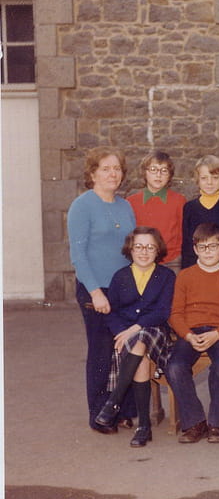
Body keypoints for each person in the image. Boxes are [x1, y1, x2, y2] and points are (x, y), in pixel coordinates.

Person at [68, 146, 137, 434]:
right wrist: (96, 292)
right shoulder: (82, 206)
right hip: (95, 289)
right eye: (106, 168)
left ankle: (123, 409)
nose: (113, 174)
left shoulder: (125, 206)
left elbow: (132, 249)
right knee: (101, 351)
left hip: (124, 289)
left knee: (125, 349)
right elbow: (78, 255)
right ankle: (98, 414)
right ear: (93, 173)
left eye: (117, 168)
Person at [95, 226, 176, 447]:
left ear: (158, 250)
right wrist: (121, 332)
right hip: (127, 335)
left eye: (150, 247)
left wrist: (135, 328)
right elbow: (112, 312)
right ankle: (143, 427)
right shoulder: (120, 276)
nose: (144, 252)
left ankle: (114, 401)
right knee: (140, 356)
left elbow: (163, 311)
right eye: (139, 246)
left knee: (141, 338)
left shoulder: (166, 276)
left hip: (155, 331)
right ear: (130, 249)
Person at [166, 222, 219, 443]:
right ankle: (195, 421)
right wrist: (188, 335)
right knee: (175, 367)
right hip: (191, 332)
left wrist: (217, 334)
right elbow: (175, 314)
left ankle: (216, 424)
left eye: (213, 246)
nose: (208, 251)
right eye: (202, 247)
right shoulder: (185, 276)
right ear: (195, 249)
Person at [126, 151, 186, 273]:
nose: (158, 175)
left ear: (170, 175)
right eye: (153, 169)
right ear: (145, 172)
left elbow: (183, 233)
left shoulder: (179, 201)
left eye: (164, 170)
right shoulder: (131, 202)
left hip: (172, 262)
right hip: (141, 261)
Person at [181, 154, 219, 269]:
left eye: (215, 177)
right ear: (197, 180)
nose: (209, 182)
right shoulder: (190, 208)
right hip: (196, 268)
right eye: (204, 178)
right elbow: (186, 244)